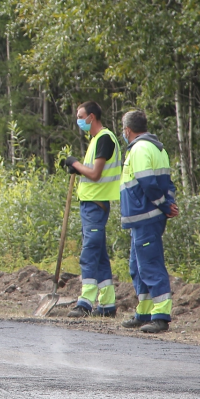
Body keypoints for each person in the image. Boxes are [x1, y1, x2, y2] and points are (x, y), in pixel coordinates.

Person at [117, 110, 179, 334]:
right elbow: (168, 183)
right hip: (141, 219)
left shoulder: (140, 148)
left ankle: (161, 316)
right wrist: (169, 203)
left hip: (146, 216)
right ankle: (143, 312)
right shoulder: (156, 148)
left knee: (150, 264)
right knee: (137, 266)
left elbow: (148, 183)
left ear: (127, 130)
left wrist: (164, 205)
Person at [63, 101, 122, 318]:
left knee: (89, 253)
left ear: (91, 117)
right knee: (99, 256)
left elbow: (96, 174)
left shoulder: (105, 138)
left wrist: (75, 164)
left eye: (80, 116)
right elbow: (92, 172)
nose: (79, 121)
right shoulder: (96, 139)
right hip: (91, 204)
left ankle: (85, 301)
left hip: (96, 205)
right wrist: (79, 169)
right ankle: (107, 304)